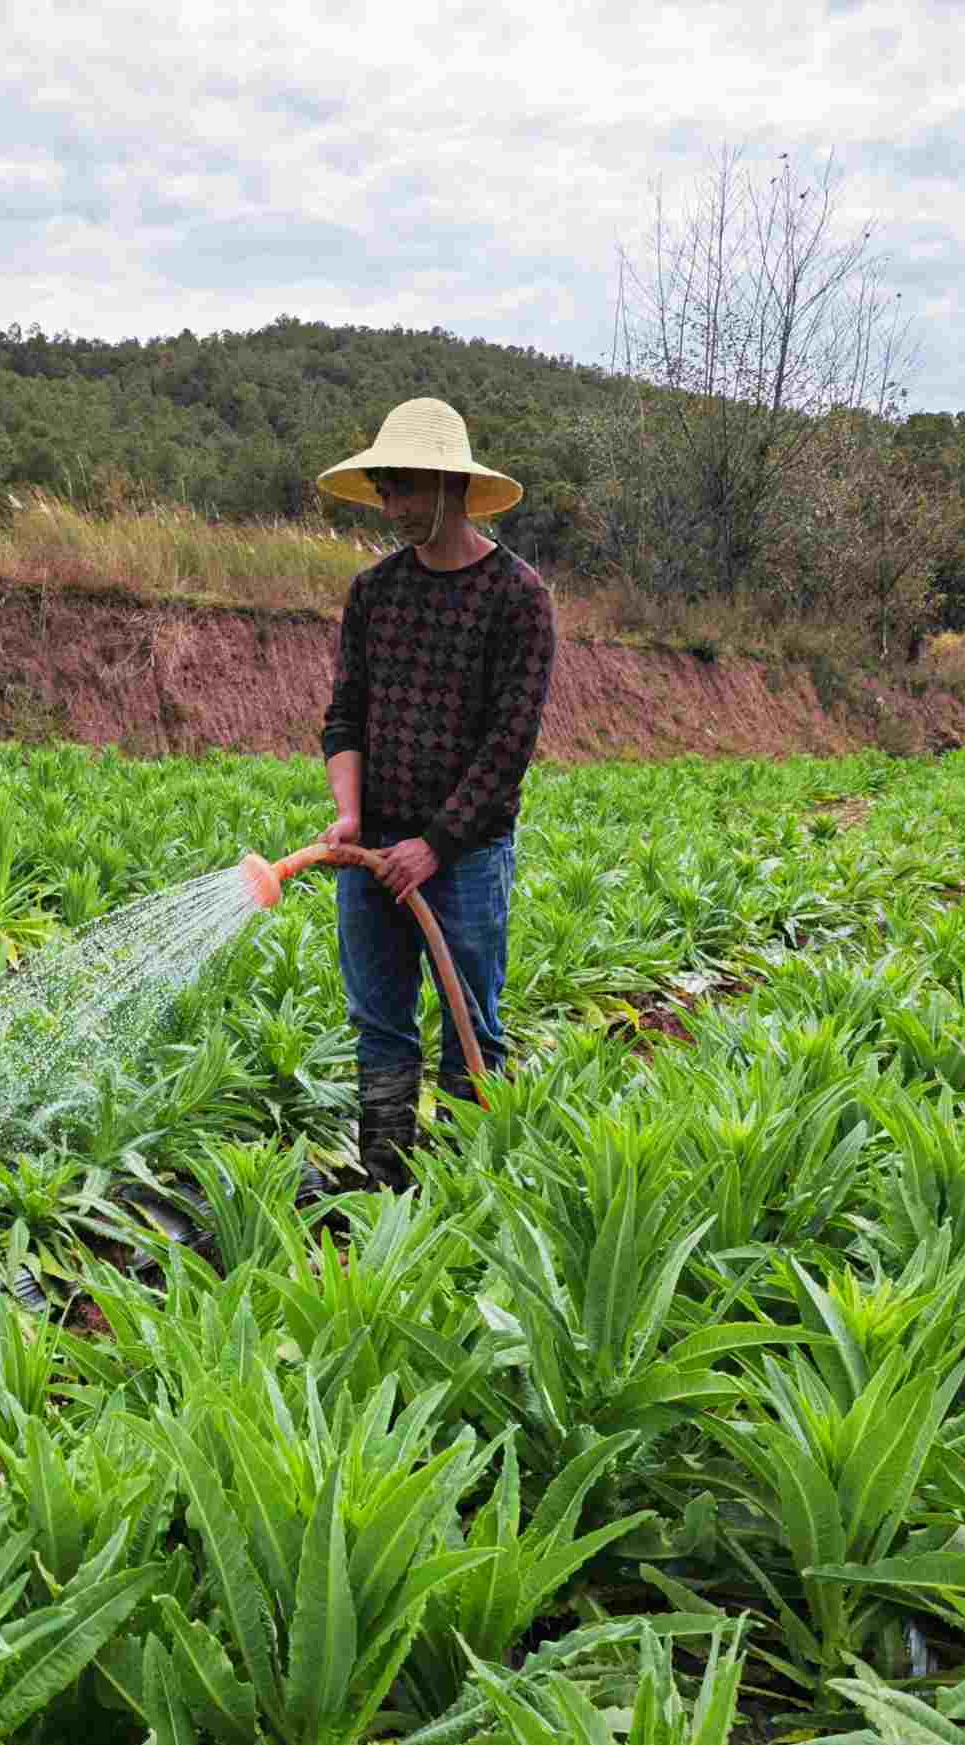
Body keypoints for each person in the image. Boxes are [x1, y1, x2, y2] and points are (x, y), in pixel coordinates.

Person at [314, 397, 555, 1190]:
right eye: (384, 491)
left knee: (469, 1023)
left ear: (450, 486)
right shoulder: (374, 593)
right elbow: (346, 713)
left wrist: (434, 846)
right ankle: (385, 1181)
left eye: (404, 490)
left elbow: (508, 744)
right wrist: (351, 815)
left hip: (467, 855)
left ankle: (463, 1185)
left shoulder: (516, 597)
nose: (392, 507)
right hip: (373, 845)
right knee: (378, 1023)